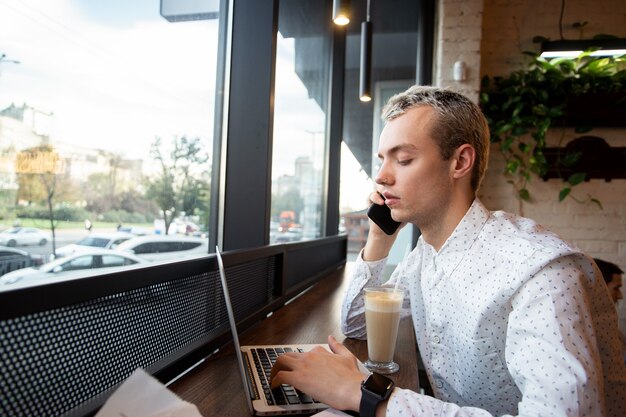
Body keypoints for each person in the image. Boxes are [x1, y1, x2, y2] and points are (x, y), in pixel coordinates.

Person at [270, 86, 626, 416]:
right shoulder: (427, 255)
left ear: (459, 162)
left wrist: (368, 396)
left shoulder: (540, 270)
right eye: (382, 160)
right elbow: (357, 323)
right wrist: (379, 238)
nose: (381, 177)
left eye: (403, 159)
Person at [594, 258, 626, 365]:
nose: (620, 296)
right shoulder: (593, 330)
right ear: (600, 288)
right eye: (616, 288)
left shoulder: (608, 326)